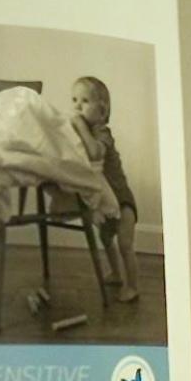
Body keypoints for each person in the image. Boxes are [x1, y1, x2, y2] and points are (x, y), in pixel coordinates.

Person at [69, 76, 140, 303]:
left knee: (125, 244)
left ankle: (132, 286)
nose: (77, 106)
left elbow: (95, 153)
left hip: (121, 199)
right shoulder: (84, 133)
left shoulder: (102, 133)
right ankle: (117, 274)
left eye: (85, 101)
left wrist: (81, 127)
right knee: (106, 238)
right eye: (74, 100)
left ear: (102, 110)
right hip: (106, 201)